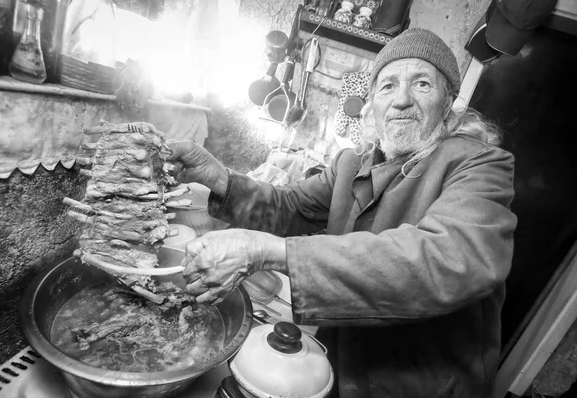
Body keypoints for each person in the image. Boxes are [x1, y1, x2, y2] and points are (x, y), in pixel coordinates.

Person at [170, 28, 517, 398]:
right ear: (372, 104)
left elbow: (452, 260)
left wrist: (268, 251)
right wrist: (218, 176)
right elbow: (292, 207)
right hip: (340, 363)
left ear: (448, 102)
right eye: (387, 86)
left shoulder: (480, 165)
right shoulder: (352, 163)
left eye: (421, 84)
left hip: (421, 382)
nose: (400, 100)